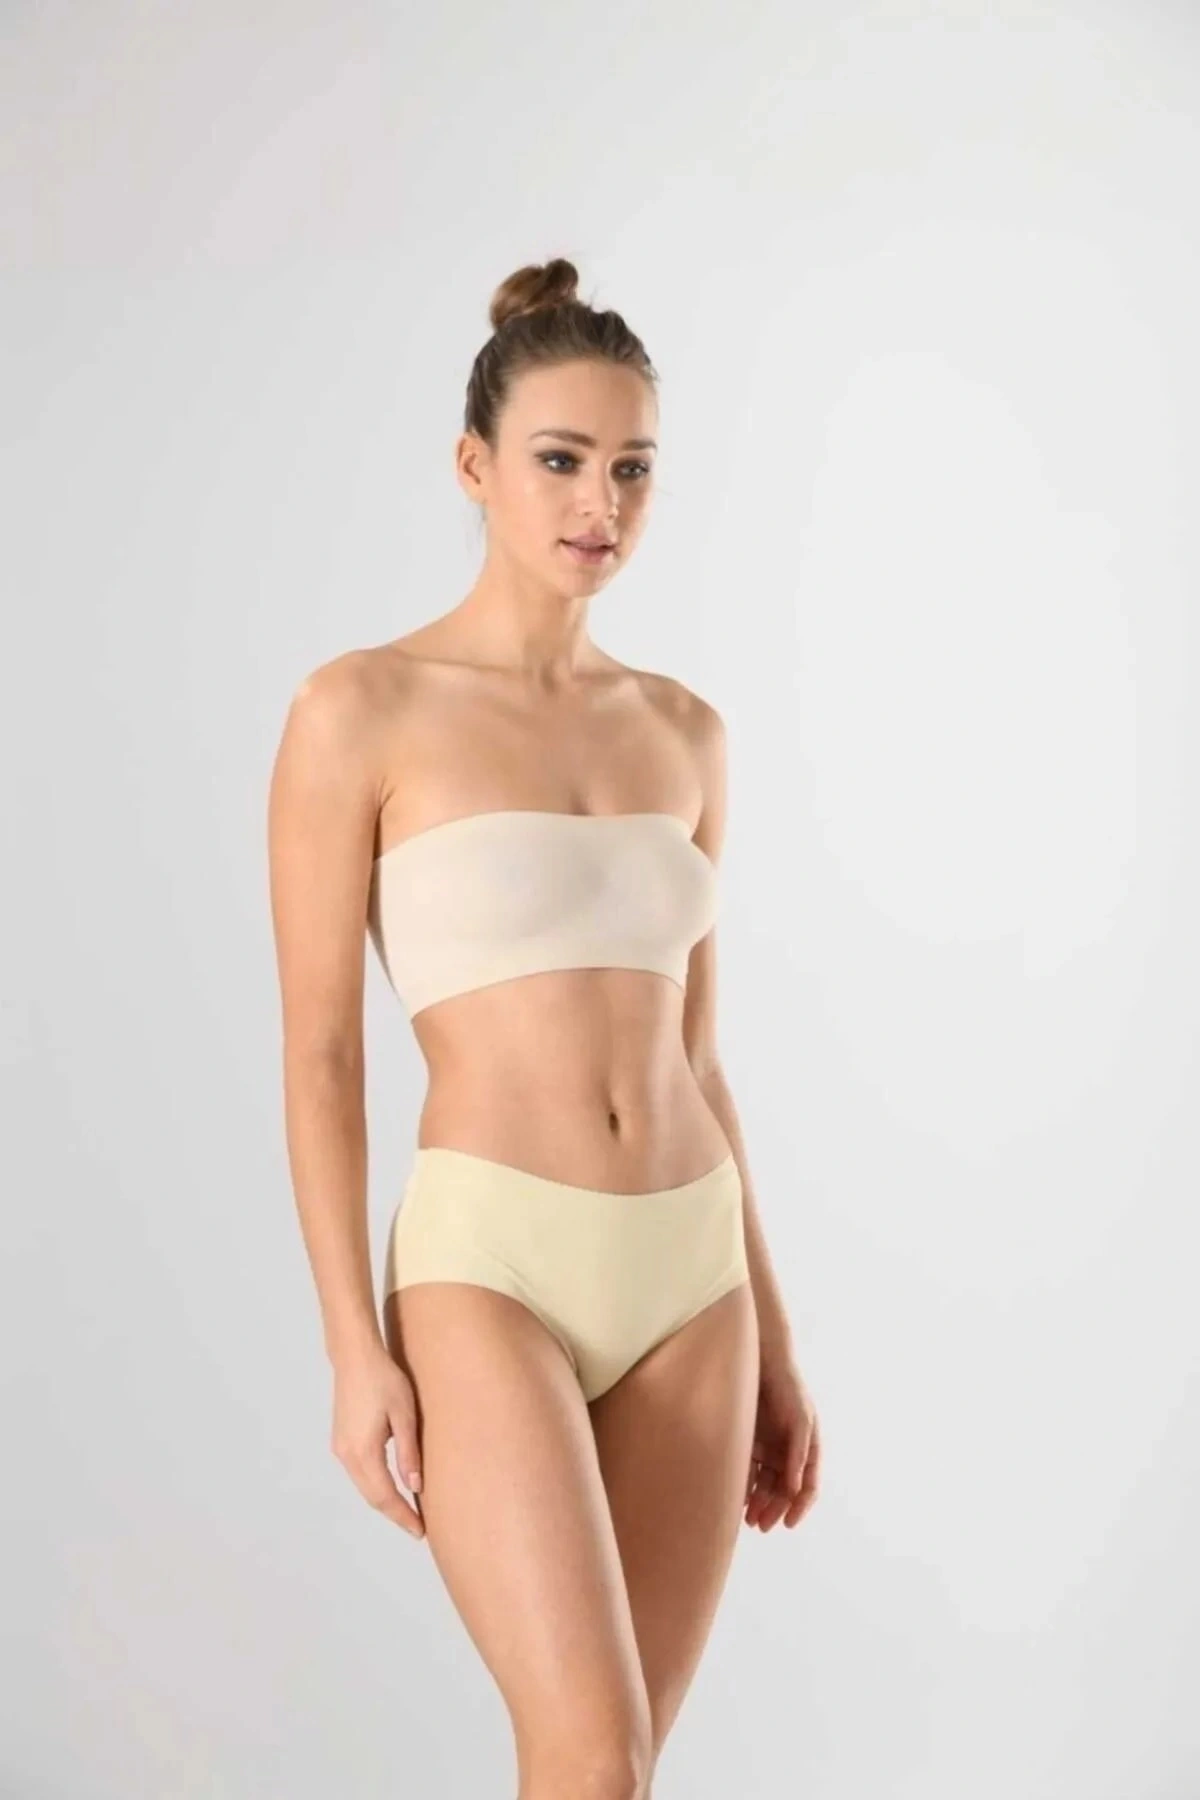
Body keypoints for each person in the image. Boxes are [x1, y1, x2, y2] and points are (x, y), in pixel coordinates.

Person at [267, 257, 821, 1799]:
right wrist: (351, 1345)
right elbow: (320, 1054)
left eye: (633, 468)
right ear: (475, 466)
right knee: (590, 1750)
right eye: (562, 461)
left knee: (613, 1776)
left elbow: (697, 1057)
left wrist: (775, 1338)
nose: (601, 504)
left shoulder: (686, 732)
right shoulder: (359, 711)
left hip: (692, 1275)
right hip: (488, 1263)